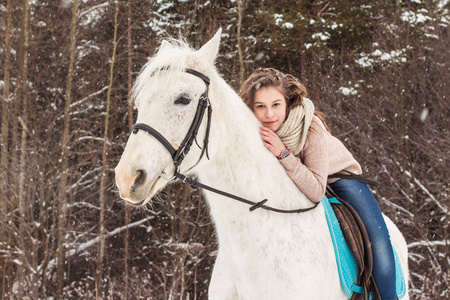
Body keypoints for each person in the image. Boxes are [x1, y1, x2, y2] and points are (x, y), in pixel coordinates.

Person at [239, 68, 397, 300]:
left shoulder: (310, 127)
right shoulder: (252, 132)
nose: (269, 114)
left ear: (287, 103)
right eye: (260, 106)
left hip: (339, 179)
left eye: (275, 104)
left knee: (378, 243)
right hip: (293, 181)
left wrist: (283, 153)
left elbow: (315, 190)